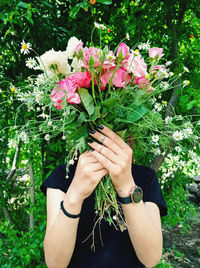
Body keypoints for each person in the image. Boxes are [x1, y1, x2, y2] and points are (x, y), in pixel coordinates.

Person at [40, 124, 167, 268]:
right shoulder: (63, 175)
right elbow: (54, 264)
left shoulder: (146, 177)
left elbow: (151, 258)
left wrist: (126, 186)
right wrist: (75, 195)